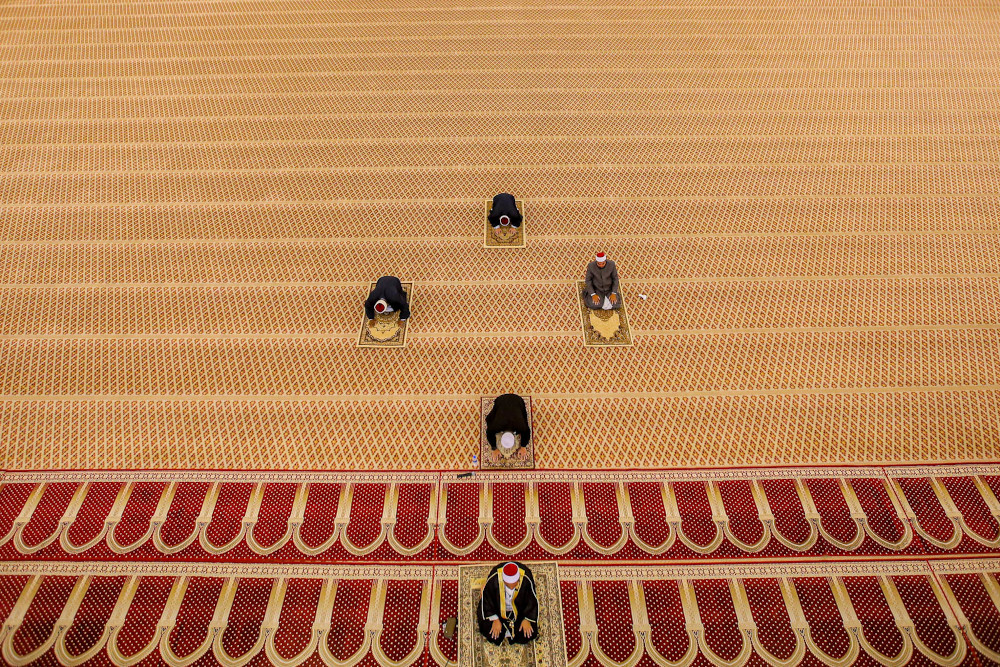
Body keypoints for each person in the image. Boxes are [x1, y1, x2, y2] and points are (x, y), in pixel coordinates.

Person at [477, 562, 540, 646]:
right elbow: (488, 600)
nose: (511, 589)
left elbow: (531, 600)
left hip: (519, 610)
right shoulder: (495, 579)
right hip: (497, 608)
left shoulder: (525, 579)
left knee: (528, 634)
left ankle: (508, 631)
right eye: (508, 586)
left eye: (514, 586)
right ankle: (483, 590)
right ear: (503, 580)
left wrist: (526, 619)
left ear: (518, 580)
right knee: (492, 634)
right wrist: (495, 619)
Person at [485, 393, 531, 462]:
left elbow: (527, 431)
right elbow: (489, 432)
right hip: (506, 400)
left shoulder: (520, 426)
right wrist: (494, 449)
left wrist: (523, 447)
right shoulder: (497, 425)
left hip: (515, 400)